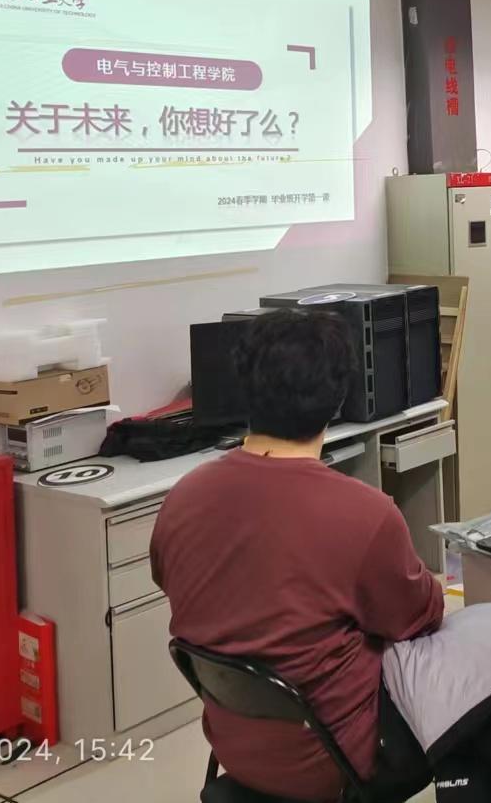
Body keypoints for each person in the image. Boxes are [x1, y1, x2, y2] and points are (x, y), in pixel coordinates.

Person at [151, 309, 444, 802]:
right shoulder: (366, 514)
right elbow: (419, 617)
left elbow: (171, 580)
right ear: (338, 398)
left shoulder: (182, 497)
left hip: (234, 748)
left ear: (246, 388)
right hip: (332, 762)